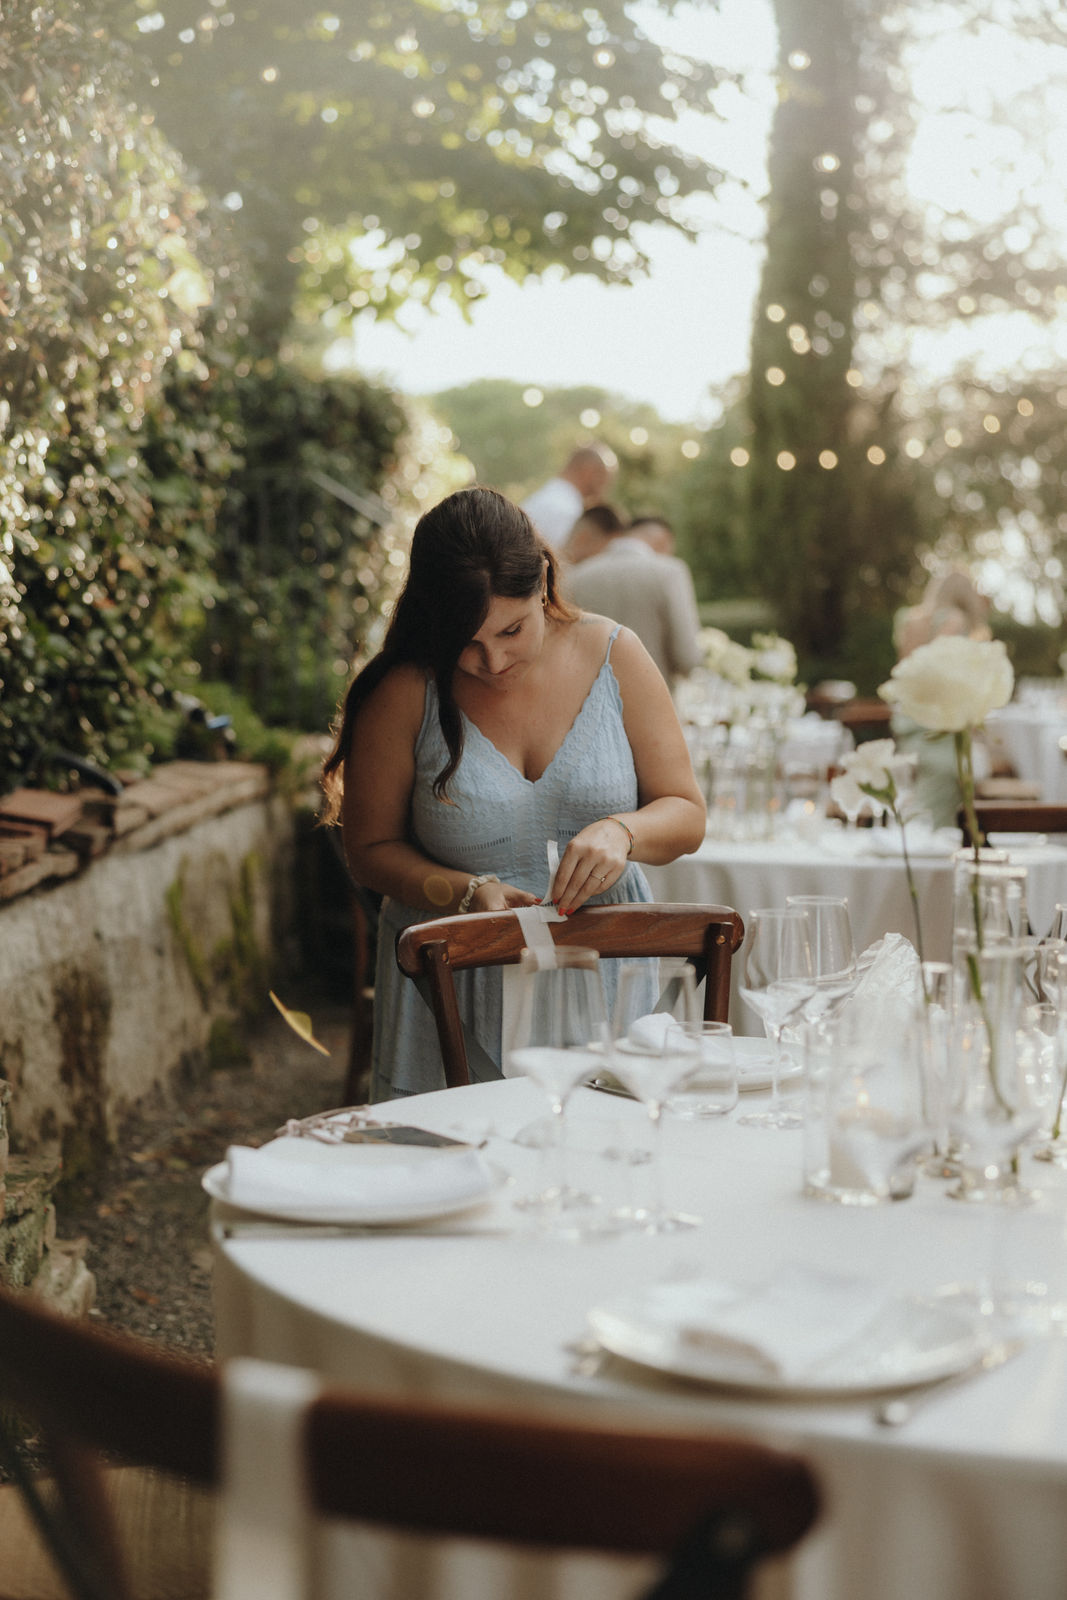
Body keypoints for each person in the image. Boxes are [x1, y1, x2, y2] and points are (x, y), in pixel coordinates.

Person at [321, 485, 705, 1100]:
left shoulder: (616, 654)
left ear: (544, 582)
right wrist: (466, 890)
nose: (493, 660)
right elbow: (369, 849)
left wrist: (622, 830)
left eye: (511, 630)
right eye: (466, 642)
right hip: (451, 986)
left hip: (604, 971)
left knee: (613, 1168)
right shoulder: (404, 690)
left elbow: (686, 814)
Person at [891, 568, 994, 827]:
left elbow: (905, 675)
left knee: (918, 805)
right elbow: (941, 673)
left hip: (910, 723)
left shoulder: (910, 619)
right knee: (934, 820)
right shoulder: (955, 621)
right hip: (941, 730)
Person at [565, 513, 703, 687]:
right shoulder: (670, 572)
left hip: (590, 703)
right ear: (663, 540)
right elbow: (688, 657)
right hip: (657, 701)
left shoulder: (576, 577)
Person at [520, 444, 617, 553]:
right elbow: (565, 561)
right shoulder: (567, 509)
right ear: (588, 471)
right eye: (605, 477)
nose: (606, 487)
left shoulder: (545, 497)